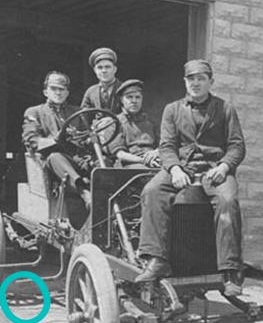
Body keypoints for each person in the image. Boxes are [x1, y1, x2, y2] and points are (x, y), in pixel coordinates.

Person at [134, 60, 246, 297]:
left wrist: (225, 167)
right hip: (181, 166)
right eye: (191, 79)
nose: (195, 83)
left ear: (210, 82)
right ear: (185, 82)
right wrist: (174, 169)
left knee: (228, 201)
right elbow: (166, 146)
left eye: (201, 78)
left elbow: (237, 146)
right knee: (152, 191)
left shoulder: (225, 109)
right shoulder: (172, 109)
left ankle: (229, 272)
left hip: (213, 170)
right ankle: (156, 260)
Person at [21, 70, 89, 220]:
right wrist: (54, 140)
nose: (58, 93)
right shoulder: (35, 112)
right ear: (45, 91)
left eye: (62, 89)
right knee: (55, 157)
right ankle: (84, 192)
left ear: (67, 92)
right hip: (49, 165)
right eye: (54, 89)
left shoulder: (77, 112)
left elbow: (87, 137)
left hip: (77, 160)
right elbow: (31, 140)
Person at [106, 79, 161, 168]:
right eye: (129, 97)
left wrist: (156, 152)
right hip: (129, 164)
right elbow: (120, 154)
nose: (134, 101)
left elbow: (164, 144)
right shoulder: (114, 123)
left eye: (137, 97)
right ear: (121, 100)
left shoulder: (151, 121)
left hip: (154, 159)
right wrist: (144, 161)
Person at [81, 47, 121, 114]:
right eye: (100, 67)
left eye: (107, 67)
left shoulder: (124, 89)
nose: (104, 71)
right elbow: (83, 115)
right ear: (95, 71)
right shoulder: (91, 92)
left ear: (115, 69)